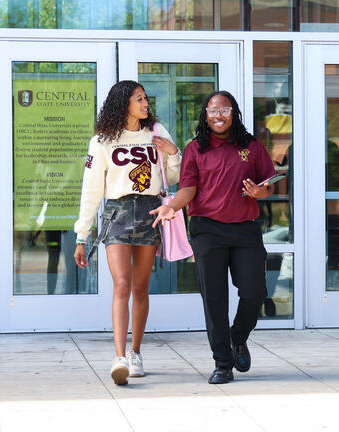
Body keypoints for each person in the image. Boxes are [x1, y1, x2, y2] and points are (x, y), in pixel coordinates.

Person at [150, 91, 276, 385]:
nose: (218, 116)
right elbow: (189, 189)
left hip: (245, 228)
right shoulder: (195, 149)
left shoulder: (251, 146)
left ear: (234, 113)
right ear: (205, 115)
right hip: (207, 230)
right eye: (212, 110)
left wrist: (261, 192)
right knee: (215, 299)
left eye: (225, 110)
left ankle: (238, 336)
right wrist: (170, 207)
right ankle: (222, 363)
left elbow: (268, 183)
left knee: (255, 291)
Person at [73, 80, 181, 385]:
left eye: (146, 99)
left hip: (149, 213)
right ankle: (119, 357)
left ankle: (135, 352)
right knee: (121, 283)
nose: (146, 104)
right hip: (117, 215)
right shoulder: (103, 140)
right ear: (123, 104)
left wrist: (173, 152)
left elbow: (173, 176)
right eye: (139, 99)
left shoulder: (156, 132)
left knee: (140, 287)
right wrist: (82, 235)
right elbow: (91, 190)